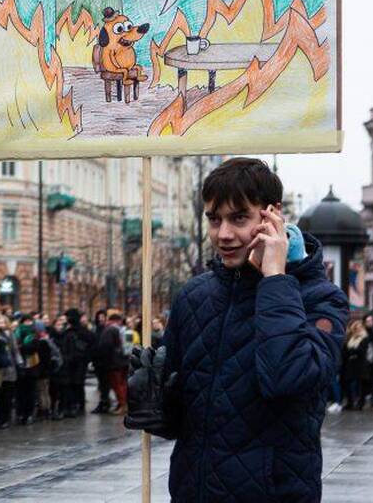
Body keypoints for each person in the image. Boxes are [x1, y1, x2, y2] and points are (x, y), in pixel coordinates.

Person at [125, 157, 348, 502]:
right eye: (214, 219)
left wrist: (275, 279)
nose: (224, 234)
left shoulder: (320, 299)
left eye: (238, 218)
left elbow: (288, 377)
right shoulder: (194, 296)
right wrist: (154, 405)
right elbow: (184, 421)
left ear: (271, 215)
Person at [342, 319, 373, 410]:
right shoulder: (351, 338)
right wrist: (352, 351)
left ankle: (361, 403)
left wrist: (352, 351)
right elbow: (346, 350)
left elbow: (362, 351)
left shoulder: (365, 337)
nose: (356, 329)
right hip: (351, 364)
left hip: (361, 364)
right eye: (355, 328)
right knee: (348, 383)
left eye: (358, 327)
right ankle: (350, 402)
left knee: (361, 385)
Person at [90, 309, 112, 413]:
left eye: (103, 317)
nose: (101, 319)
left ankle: (105, 403)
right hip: (98, 361)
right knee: (102, 384)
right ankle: (103, 402)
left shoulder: (108, 329)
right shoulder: (96, 329)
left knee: (105, 384)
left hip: (106, 361)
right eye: (99, 317)